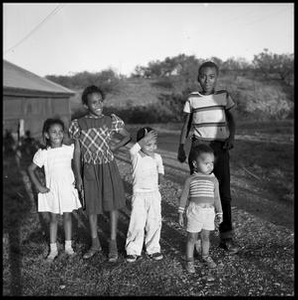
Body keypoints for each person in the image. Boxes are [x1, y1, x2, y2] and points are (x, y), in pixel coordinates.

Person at [177, 61, 240, 254]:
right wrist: (181, 146)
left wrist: (231, 136)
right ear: (198, 77)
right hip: (199, 147)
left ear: (216, 77)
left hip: (220, 148)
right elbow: (187, 124)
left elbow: (232, 118)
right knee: (198, 194)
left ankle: (226, 236)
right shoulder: (192, 99)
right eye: (203, 76)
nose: (207, 80)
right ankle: (195, 239)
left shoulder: (223, 96)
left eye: (211, 76)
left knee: (223, 193)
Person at [69, 85, 131, 262]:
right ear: (86, 105)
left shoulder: (111, 120)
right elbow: (77, 153)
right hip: (88, 169)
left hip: (107, 167)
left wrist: (115, 146)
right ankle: (95, 243)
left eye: (100, 101)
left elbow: (127, 136)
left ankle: (112, 243)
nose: (98, 105)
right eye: (93, 102)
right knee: (92, 207)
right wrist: (78, 177)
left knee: (111, 205)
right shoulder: (78, 124)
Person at [28, 118, 82, 261]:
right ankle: (53, 250)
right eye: (53, 132)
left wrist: (78, 178)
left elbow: (78, 161)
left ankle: (68, 247)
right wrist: (39, 186)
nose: (58, 135)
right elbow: (31, 169)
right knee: (53, 219)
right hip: (52, 191)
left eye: (60, 131)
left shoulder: (69, 150)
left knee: (68, 217)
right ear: (46, 135)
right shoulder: (44, 153)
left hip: (66, 189)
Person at [178, 144, 223, 273]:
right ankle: (189, 260)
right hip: (194, 211)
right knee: (192, 237)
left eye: (212, 163)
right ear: (195, 164)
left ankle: (205, 256)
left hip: (209, 212)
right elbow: (184, 196)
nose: (210, 166)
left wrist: (220, 213)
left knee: (206, 237)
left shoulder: (214, 180)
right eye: (206, 163)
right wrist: (180, 213)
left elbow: (217, 198)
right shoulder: (190, 179)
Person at [125, 127, 164, 262]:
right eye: (148, 144)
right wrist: (144, 140)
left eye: (154, 143)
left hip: (153, 194)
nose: (152, 147)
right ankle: (133, 249)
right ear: (140, 143)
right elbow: (132, 149)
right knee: (137, 222)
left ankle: (153, 248)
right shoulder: (136, 156)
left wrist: (159, 181)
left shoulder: (157, 157)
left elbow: (160, 171)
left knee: (154, 222)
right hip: (139, 195)